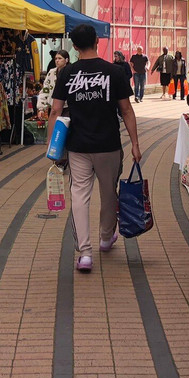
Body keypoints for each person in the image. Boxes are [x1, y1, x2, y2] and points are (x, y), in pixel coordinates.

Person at [49, 24, 142, 273]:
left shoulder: (66, 73)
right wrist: (134, 143)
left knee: (79, 195)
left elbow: (56, 110)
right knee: (108, 192)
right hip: (108, 143)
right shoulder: (113, 71)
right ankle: (105, 238)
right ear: (97, 42)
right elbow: (126, 110)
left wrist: (52, 146)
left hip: (78, 144)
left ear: (75, 46)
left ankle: (86, 253)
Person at [37, 50, 71, 120]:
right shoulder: (51, 72)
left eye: (60, 58)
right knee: (53, 129)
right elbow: (45, 90)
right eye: (56, 59)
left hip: (67, 108)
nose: (57, 61)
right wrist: (41, 108)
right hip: (53, 107)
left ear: (66, 60)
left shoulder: (71, 72)